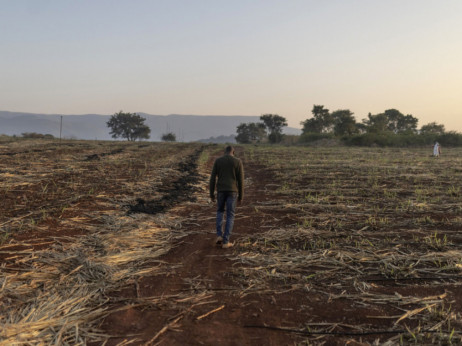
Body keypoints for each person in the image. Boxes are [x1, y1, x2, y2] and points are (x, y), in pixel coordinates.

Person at [209, 145, 244, 248]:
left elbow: (212, 179)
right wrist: (241, 196)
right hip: (232, 191)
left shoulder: (218, 161)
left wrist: (211, 194)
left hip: (220, 191)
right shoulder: (237, 161)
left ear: (225, 152)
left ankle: (219, 235)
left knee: (220, 212)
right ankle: (226, 241)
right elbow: (241, 181)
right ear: (233, 152)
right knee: (230, 215)